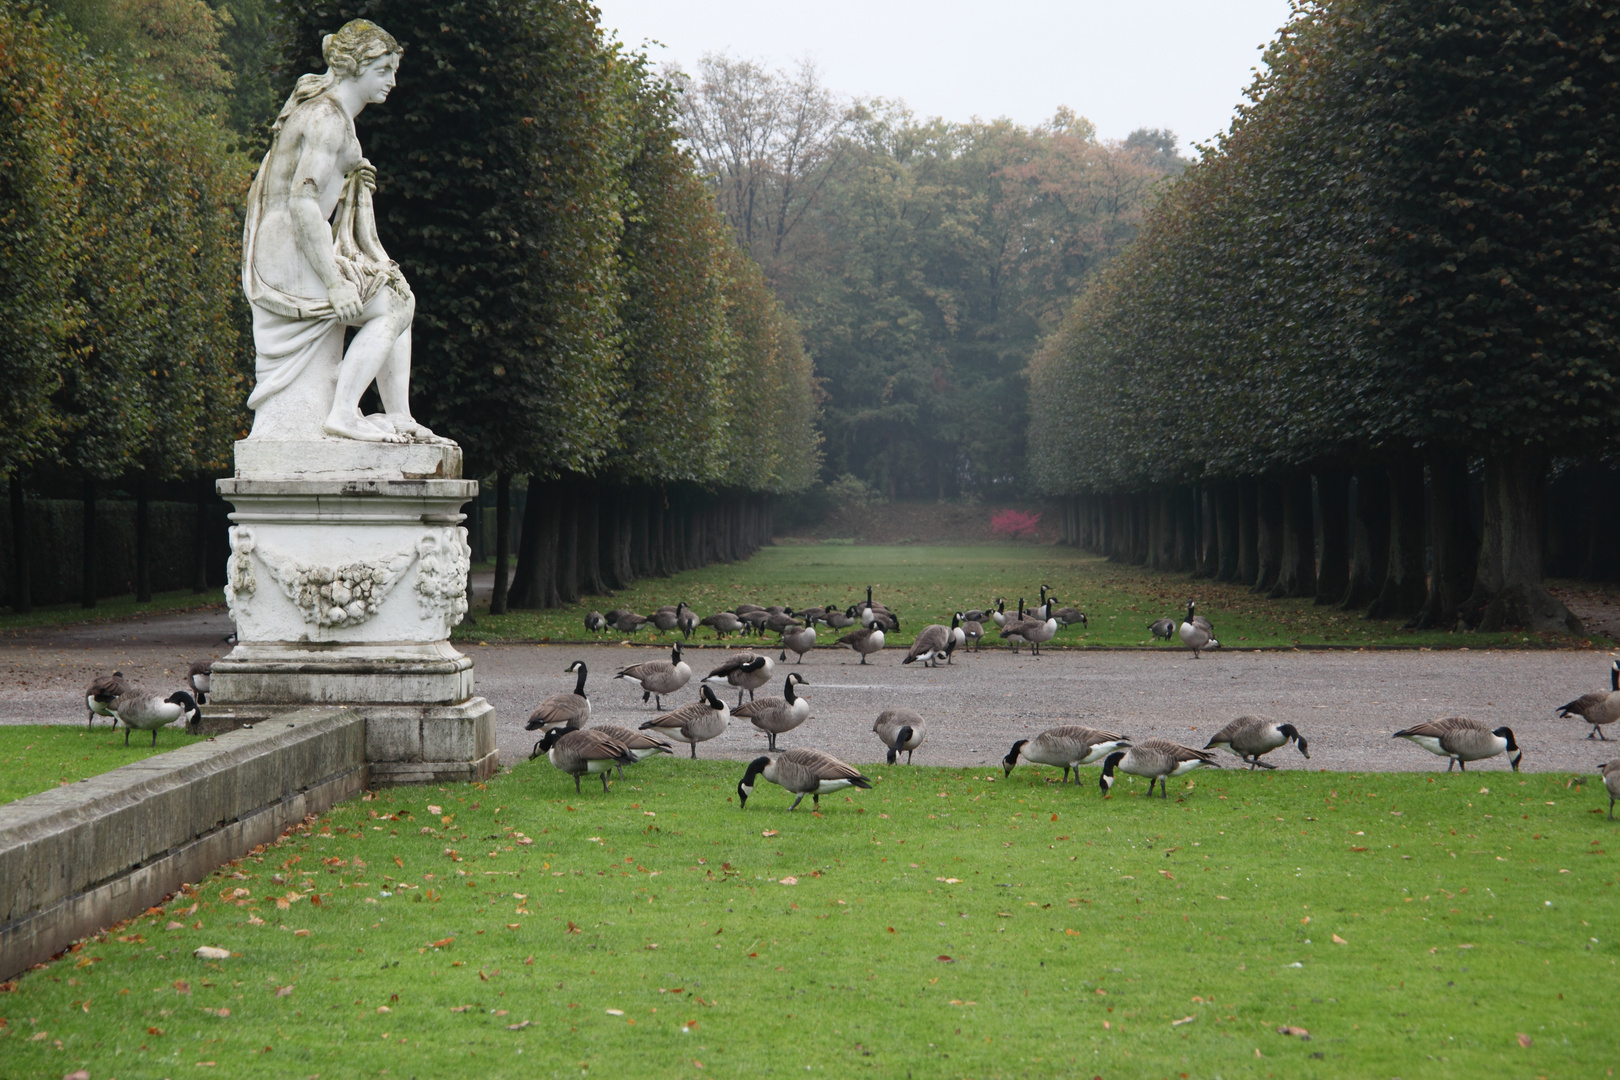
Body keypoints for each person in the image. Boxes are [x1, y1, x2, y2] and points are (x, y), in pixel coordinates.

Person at [241, 20, 446, 443]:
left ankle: (401, 416)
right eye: (384, 69)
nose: (393, 80)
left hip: (296, 245)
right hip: (287, 253)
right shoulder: (326, 118)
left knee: (398, 293)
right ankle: (342, 414)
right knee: (391, 305)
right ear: (355, 67)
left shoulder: (337, 119)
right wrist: (336, 283)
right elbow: (302, 202)